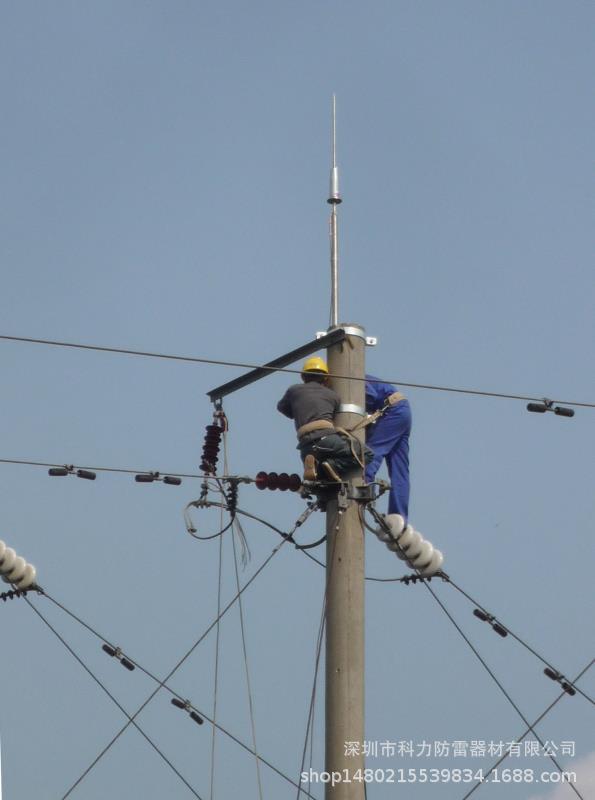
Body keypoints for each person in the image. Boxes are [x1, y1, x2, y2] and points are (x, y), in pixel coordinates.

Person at [277, 356, 370, 481]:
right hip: (326, 440)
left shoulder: (294, 390)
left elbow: (281, 407)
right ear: (325, 378)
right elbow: (333, 417)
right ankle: (332, 465)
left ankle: (319, 469)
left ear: (303, 376)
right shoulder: (333, 396)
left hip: (305, 447)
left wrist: (297, 412)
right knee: (366, 454)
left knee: (322, 482)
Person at [365, 375, 412, 521]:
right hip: (401, 411)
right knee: (400, 471)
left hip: (392, 411)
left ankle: (362, 492)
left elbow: (370, 396)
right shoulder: (352, 374)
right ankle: (398, 518)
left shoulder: (346, 376)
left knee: (368, 455)